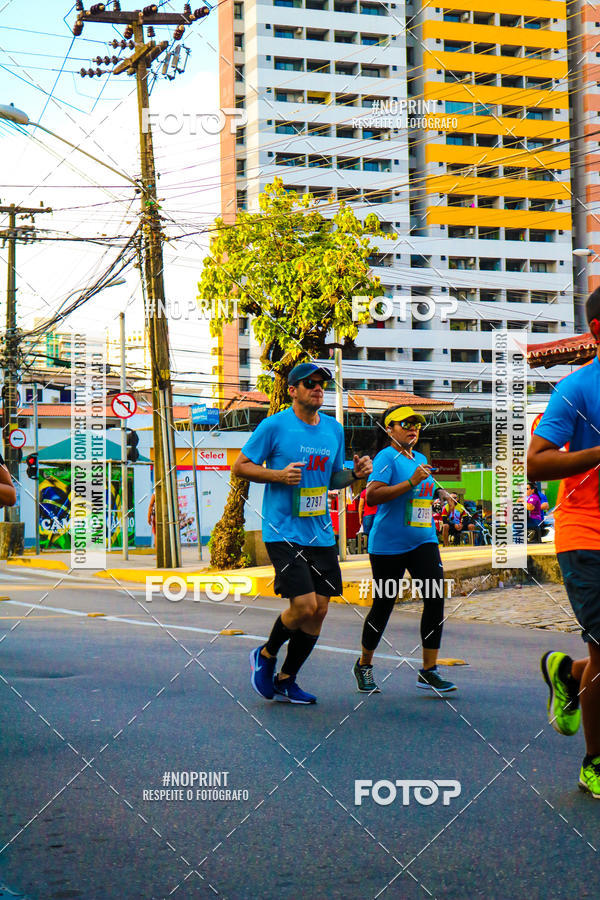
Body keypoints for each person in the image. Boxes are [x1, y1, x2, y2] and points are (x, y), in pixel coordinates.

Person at [233, 362, 372, 704]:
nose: (318, 388)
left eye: (322, 383)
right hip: (283, 531)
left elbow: (333, 478)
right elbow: (241, 466)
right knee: (304, 605)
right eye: (309, 383)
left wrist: (354, 474)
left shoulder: (333, 429)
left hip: (320, 532)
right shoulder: (274, 426)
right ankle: (265, 655)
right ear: (292, 390)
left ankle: (287, 678)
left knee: (320, 610)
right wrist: (279, 475)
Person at [528, 285, 600, 798]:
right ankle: (594, 763)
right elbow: (535, 460)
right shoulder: (575, 389)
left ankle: (568, 674)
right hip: (586, 530)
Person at [352, 405, 457, 695]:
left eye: (417, 424)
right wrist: (410, 481)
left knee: (435, 599)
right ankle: (364, 666)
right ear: (390, 429)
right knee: (384, 605)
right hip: (389, 545)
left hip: (423, 540)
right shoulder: (387, 457)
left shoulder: (420, 457)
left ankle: (428, 670)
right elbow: (372, 494)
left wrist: (443, 493)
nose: (413, 428)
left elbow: (428, 486)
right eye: (405, 423)